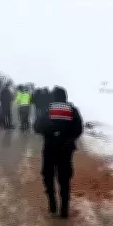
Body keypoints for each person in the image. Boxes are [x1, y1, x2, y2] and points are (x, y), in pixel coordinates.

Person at [34, 86, 83, 218]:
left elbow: (37, 127)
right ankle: (64, 208)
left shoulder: (48, 110)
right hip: (66, 150)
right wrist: (68, 138)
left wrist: (50, 132)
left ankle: (52, 202)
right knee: (64, 178)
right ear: (65, 97)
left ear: (53, 97)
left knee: (48, 176)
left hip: (50, 148)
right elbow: (79, 129)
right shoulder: (72, 110)